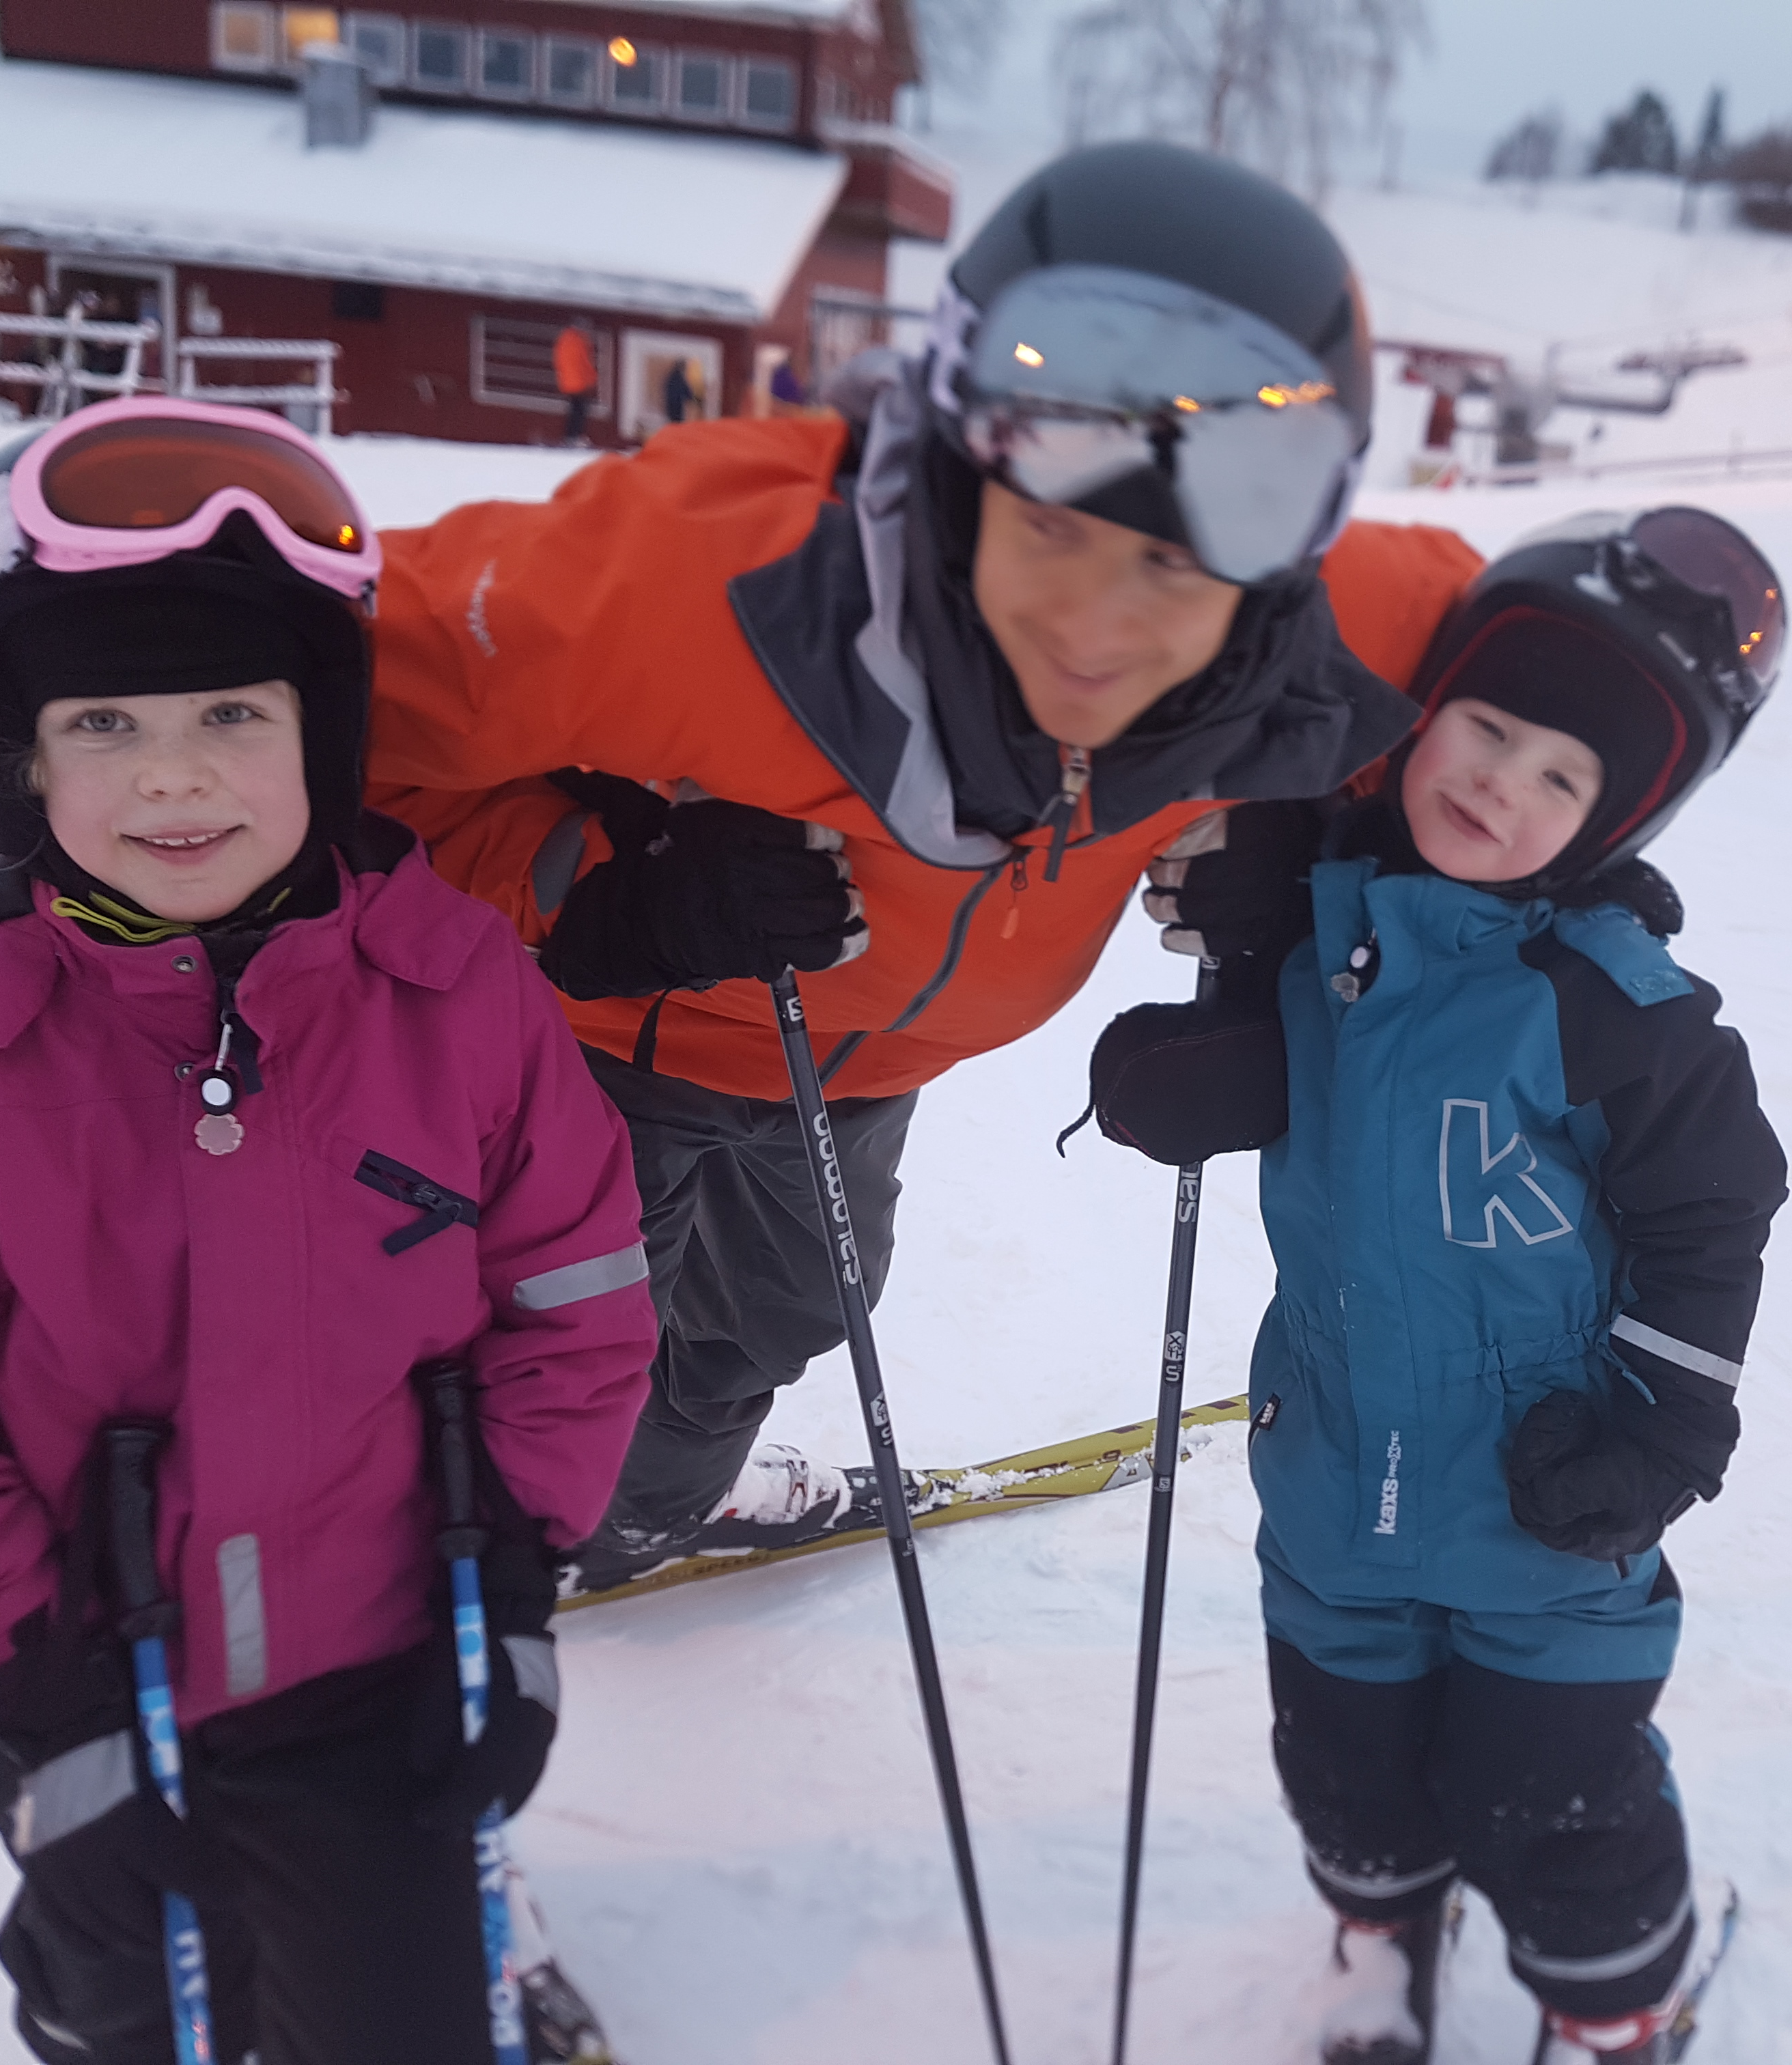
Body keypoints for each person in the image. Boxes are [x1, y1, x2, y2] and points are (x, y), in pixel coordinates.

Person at [363, 139, 1484, 1592]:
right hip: (607, 1030)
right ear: (961, 479)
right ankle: (476, 1522)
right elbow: (291, 717)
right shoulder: (703, 575)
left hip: (861, 1070)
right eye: (1053, 529)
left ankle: (639, 1517)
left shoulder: (1325, 639)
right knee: (565, 1327)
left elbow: (1569, 701)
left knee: (787, 1315)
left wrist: (1311, 849)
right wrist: (588, 888)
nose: (1097, 626)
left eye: (1173, 566)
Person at [0, 397, 658, 2065]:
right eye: (102, 722)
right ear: (19, 759)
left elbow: (579, 1305)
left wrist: (518, 1572)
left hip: (382, 1669)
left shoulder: (454, 992)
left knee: (396, 2022)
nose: (174, 774)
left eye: (233, 713)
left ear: (319, 733)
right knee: (131, 1997)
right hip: (78, 1675)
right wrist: (23, 1694)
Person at [1089, 509, 1792, 2063]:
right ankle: (1379, 1933)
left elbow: (1712, 1214)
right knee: (1344, 1760)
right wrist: (1201, 1048)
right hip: (1332, 1474)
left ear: (1615, 823)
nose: (1500, 783)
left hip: (1548, 1497)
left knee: (1553, 1797)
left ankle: (1615, 2004)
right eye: (1485, 728)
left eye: (1562, 779)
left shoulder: (1614, 1008)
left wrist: (1664, 1431)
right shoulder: (1318, 937)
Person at [552, 318, 597, 445]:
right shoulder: (578, 341)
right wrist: (592, 378)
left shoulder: (565, 339)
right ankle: (574, 437)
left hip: (568, 381)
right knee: (579, 410)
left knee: (575, 410)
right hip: (579, 382)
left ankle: (571, 436)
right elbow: (584, 362)